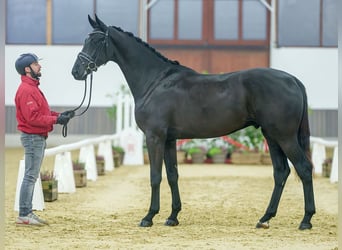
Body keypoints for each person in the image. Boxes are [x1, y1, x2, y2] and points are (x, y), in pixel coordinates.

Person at [14, 53, 74, 226]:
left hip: (36, 137)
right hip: (33, 137)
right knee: (30, 176)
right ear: (27, 69)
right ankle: (24, 213)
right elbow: (33, 118)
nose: (39, 66)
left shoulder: (32, 88)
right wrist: (56, 120)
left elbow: (42, 114)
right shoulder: (27, 90)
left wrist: (60, 115)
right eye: (35, 64)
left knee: (31, 176)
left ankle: (26, 212)